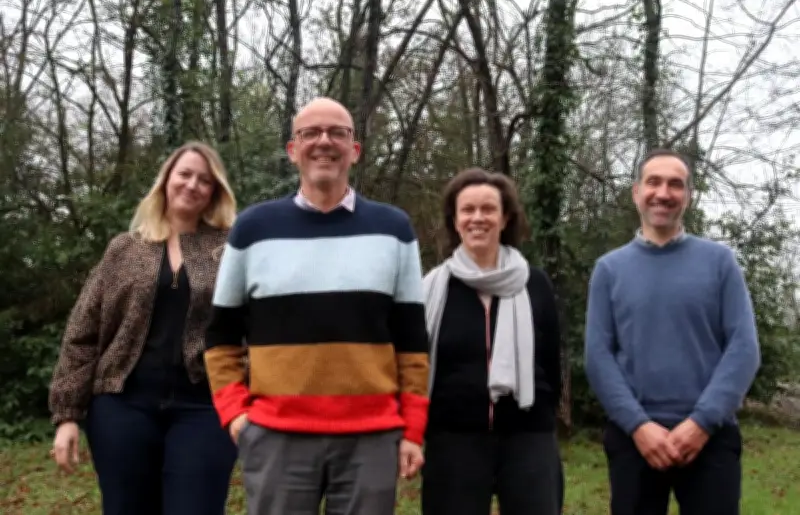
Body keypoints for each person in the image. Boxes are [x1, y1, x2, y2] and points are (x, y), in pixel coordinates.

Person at [204, 96, 429, 515]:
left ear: (355, 150)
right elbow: (220, 337)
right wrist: (236, 414)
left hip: (371, 439)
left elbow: (413, 343)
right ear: (293, 150)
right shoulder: (252, 229)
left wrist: (413, 429)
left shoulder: (394, 229)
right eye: (311, 133)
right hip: (276, 436)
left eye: (337, 133)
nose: (324, 142)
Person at [48, 141, 239, 515]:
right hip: (124, 405)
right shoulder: (124, 249)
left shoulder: (229, 250)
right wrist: (67, 415)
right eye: (185, 174)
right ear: (166, 180)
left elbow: (248, 328)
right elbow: (83, 332)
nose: (192, 185)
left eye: (204, 180)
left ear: (215, 192)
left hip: (203, 406)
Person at [584, 148, 761, 515]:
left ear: (688, 196)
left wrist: (701, 423)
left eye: (675, 184)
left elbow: (743, 348)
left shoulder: (720, 263)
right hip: (635, 441)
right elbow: (598, 357)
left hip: (710, 439)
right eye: (654, 182)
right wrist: (638, 426)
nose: (663, 193)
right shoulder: (609, 270)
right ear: (636, 192)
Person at [421, 167, 563, 515]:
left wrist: (541, 415)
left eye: (488, 209)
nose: (478, 218)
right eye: (468, 210)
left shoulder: (535, 284)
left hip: (528, 437)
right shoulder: (432, 288)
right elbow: (418, 363)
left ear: (505, 218)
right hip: (453, 440)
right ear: (455, 221)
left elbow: (551, 362)